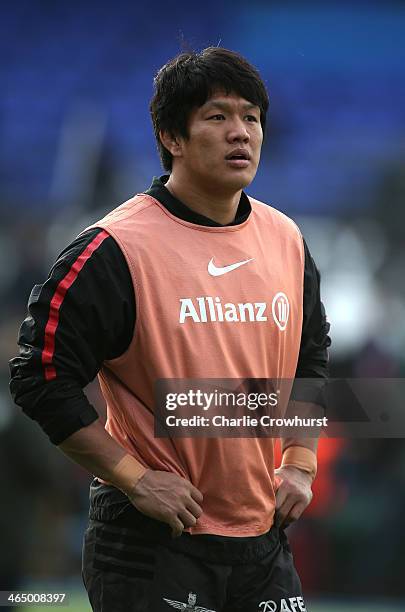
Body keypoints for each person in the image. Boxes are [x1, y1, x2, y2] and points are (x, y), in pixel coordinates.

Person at [10, 47, 330, 612]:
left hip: (262, 544)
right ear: (172, 137)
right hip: (151, 543)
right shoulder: (114, 250)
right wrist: (135, 478)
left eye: (251, 117)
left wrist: (300, 464)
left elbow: (310, 359)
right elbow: (40, 377)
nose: (241, 133)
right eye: (218, 116)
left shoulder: (287, 240)